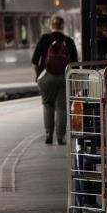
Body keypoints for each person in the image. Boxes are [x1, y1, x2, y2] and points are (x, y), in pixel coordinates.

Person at [31, 15, 79, 145]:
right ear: (63, 27)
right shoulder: (68, 41)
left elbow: (35, 61)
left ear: (51, 26)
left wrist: (38, 76)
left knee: (48, 105)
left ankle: (48, 133)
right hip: (64, 77)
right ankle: (60, 137)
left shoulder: (44, 39)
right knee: (62, 108)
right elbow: (75, 64)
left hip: (46, 77)